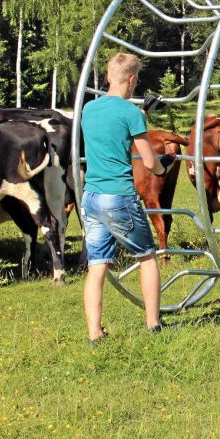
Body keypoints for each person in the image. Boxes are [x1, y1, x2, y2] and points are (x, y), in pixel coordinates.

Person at [80, 52, 174, 343]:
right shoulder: (130, 114)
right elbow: (149, 162)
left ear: (109, 76)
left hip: (91, 197)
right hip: (119, 196)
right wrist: (164, 165)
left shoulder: (89, 109)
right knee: (147, 257)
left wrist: (139, 116)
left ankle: (95, 333)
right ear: (132, 79)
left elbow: (112, 126)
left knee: (97, 265)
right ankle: (153, 324)